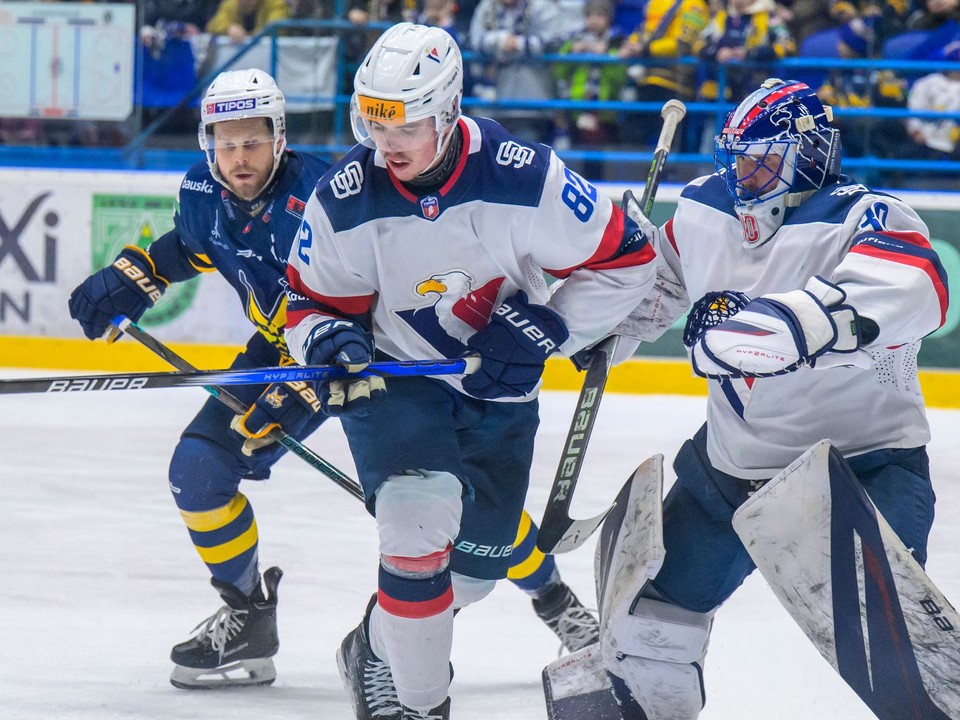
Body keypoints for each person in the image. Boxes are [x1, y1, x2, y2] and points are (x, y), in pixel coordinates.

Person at [67, 67, 599, 691]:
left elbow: (375, 310)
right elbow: (194, 245)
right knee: (199, 471)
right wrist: (136, 274)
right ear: (208, 145)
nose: (240, 158)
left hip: (363, 354)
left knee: (454, 509)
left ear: (281, 137)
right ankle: (247, 618)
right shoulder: (202, 193)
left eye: (254, 141)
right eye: (226, 143)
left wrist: (303, 388)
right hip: (281, 347)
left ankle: (553, 598)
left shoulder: (322, 197)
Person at [283, 22, 659, 720]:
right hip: (396, 378)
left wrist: (550, 326)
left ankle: (372, 643)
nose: (384, 144)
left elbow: (630, 259)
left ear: (450, 110)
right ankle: (425, 705)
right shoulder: (344, 195)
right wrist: (329, 340)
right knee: (415, 520)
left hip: (499, 392)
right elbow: (307, 302)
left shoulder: (527, 176)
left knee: (476, 574)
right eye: (372, 121)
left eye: (404, 126)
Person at [589, 78, 949, 718]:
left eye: (764, 157)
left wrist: (798, 323)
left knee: (900, 653)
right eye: (738, 155)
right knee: (650, 627)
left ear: (810, 153)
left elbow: (918, 287)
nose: (744, 171)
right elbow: (660, 290)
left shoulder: (867, 214)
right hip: (731, 472)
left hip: (859, 471)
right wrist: (609, 302)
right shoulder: (704, 207)